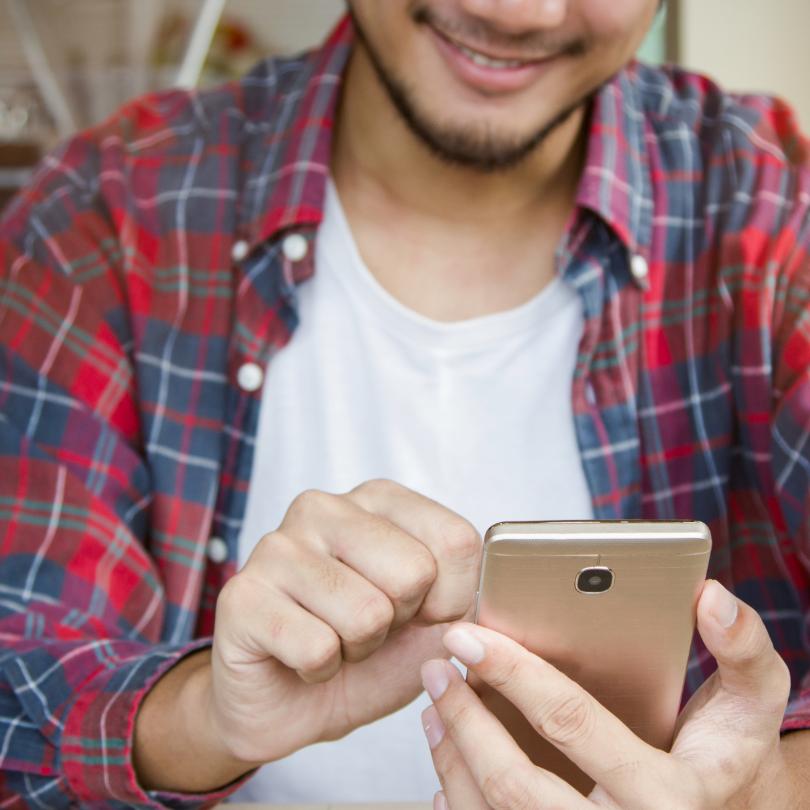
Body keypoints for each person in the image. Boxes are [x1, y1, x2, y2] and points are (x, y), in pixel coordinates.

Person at [1, 0, 809, 806]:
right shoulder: (103, 217)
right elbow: (18, 675)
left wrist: (766, 789)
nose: (515, 12)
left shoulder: (777, 213)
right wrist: (203, 715)